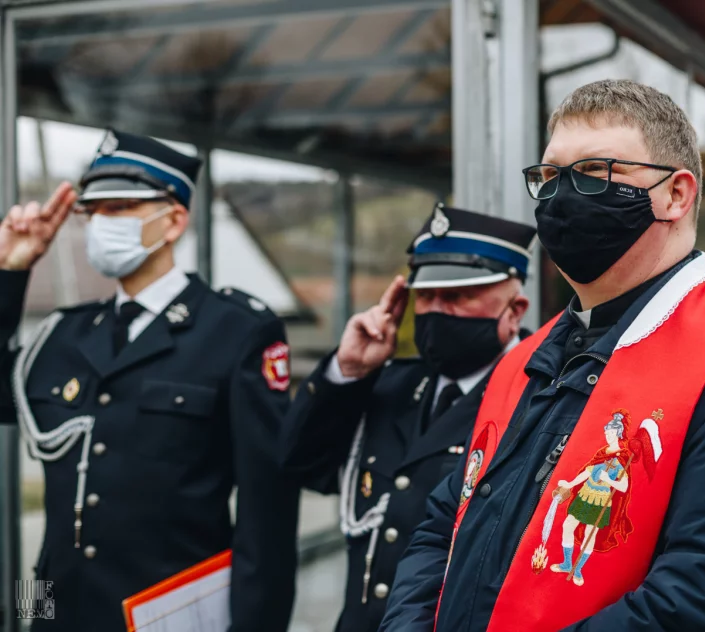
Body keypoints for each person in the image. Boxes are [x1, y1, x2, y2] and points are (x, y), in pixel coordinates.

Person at [381, 80, 705, 632]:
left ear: (676, 194)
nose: (562, 196)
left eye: (595, 171)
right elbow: (443, 524)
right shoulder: (524, 359)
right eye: (549, 177)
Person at [0, 129, 300, 632]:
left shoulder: (236, 330)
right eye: (93, 211)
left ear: (174, 219)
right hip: (53, 608)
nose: (101, 224)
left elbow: (266, 513)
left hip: (171, 616)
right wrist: (10, 270)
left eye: (120, 208)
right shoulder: (65, 332)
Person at [279, 203, 536, 632]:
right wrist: (348, 371)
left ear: (514, 310)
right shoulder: (389, 385)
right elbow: (302, 467)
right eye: (427, 296)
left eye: (457, 297)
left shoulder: (536, 399)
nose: (436, 310)